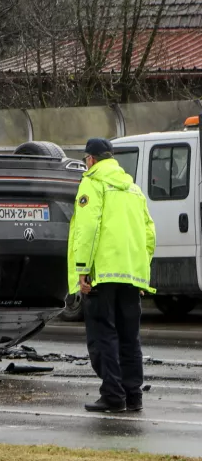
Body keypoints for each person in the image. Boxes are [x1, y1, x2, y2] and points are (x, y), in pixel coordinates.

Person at [68, 137, 156, 413]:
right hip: (131, 276)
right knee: (130, 337)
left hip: (101, 275)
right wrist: (141, 273)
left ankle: (112, 396)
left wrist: (82, 269)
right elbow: (149, 234)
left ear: (91, 159)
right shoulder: (133, 189)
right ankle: (134, 396)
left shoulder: (92, 183)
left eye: (85, 160)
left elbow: (87, 228)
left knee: (104, 336)